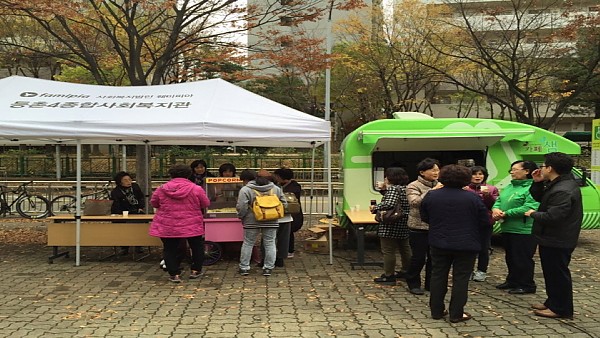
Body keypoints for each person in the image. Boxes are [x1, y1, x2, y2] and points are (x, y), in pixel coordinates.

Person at [422, 164, 490, 323]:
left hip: (439, 242)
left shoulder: (432, 195)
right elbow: (484, 221)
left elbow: (425, 217)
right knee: (461, 278)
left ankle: (436, 311)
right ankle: (456, 313)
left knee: (438, 276)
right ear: (465, 179)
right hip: (466, 244)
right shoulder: (472, 197)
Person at [524, 152, 583, 319]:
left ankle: (561, 308)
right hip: (551, 238)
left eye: (543, 166)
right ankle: (552, 302)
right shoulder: (557, 184)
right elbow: (541, 198)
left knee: (558, 274)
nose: (541, 168)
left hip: (558, 239)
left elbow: (554, 216)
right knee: (551, 273)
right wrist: (537, 183)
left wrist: (533, 214)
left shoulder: (563, 190)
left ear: (550, 168)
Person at [149, 164, 210, 283]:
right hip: (192, 223)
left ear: (171, 175)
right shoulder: (196, 188)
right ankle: (195, 270)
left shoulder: (161, 188)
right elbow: (205, 203)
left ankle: (174, 274)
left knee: (169, 249)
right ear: (189, 174)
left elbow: (154, 203)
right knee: (196, 247)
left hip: (168, 223)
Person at [492, 160, 540, 294]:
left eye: (515, 169)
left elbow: (529, 207)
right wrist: (496, 210)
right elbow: (499, 201)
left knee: (522, 258)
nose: (512, 172)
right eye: (511, 170)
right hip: (507, 228)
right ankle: (512, 280)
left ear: (527, 171)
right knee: (511, 257)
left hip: (524, 230)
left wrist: (506, 213)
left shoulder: (533, 188)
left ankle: (526, 284)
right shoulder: (510, 186)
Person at [236, 169, 286, 277]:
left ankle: (244, 267)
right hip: (271, 220)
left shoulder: (245, 190)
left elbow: (241, 206)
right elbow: (284, 204)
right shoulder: (275, 189)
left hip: (251, 220)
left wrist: (241, 216)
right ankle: (268, 268)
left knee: (248, 243)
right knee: (270, 243)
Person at [405, 158, 442, 295]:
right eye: (432, 170)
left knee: (434, 258)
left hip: (436, 227)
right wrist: (432, 191)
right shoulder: (413, 185)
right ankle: (413, 282)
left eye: (437, 170)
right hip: (418, 228)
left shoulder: (441, 185)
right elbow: (414, 202)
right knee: (418, 257)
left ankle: (431, 284)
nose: (436, 172)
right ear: (422, 172)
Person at [369, 167, 411, 286]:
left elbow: (390, 203)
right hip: (404, 221)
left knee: (388, 250)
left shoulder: (393, 189)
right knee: (405, 248)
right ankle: (406, 271)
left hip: (391, 223)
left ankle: (389, 275)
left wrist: (375, 207)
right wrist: (383, 190)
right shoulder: (405, 188)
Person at [464, 166, 499, 282]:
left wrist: (488, 196)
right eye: (474, 174)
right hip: (468, 222)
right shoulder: (465, 188)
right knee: (468, 248)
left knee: (484, 248)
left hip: (485, 222)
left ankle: (481, 271)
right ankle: (468, 270)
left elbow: (493, 206)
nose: (477, 176)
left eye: (480, 174)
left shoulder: (491, 188)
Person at [110, 171, 145, 255]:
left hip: (136, 210)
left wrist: (140, 207)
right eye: (125, 180)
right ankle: (124, 246)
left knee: (139, 225)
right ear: (120, 182)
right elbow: (116, 205)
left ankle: (139, 245)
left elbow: (141, 198)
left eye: (129, 180)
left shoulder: (135, 187)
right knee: (121, 226)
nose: (128, 182)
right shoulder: (116, 192)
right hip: (123, 212)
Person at [273, 167, 304, 259]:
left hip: (293, 215)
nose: (276, 178)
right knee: (284, 233)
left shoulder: (294, 188)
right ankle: (283, 249)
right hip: (283, 214)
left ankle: (290, 250)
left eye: (277, 176)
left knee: (289, 233)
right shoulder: (279, 186)